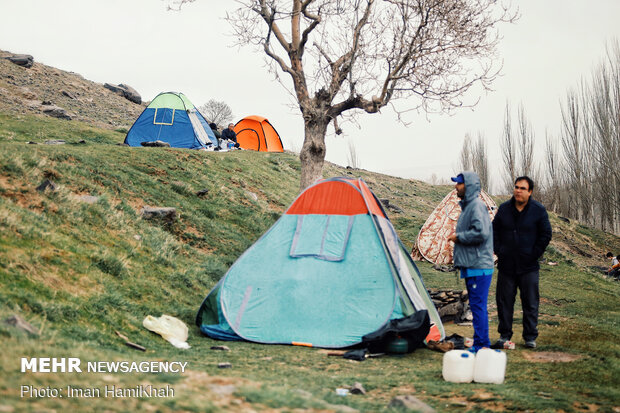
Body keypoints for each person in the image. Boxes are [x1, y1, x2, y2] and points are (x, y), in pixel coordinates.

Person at [492, 176, 552, 349]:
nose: (518, 190)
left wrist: (534, 254)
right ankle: (504, 335)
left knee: (531, 302)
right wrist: (499, 250)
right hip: (506, 266)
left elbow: (546, 234)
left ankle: (530, 337)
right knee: (504, 302)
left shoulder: (538, 210)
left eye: (522, 188)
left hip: (529, 267)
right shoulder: (504, 209)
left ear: (530, 192)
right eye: (516, 187)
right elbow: (494, 231)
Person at [448, 172, 494, 352]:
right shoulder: (469, 207)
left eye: (459, 184)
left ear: (468, 186)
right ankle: (480, 342)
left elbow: (481, 233)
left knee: (478, 307)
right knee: (476, 307)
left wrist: (459, 237)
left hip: (478, 266)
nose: (456, 187)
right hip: (473, 265)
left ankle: (482, 345)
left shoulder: (476, 207)